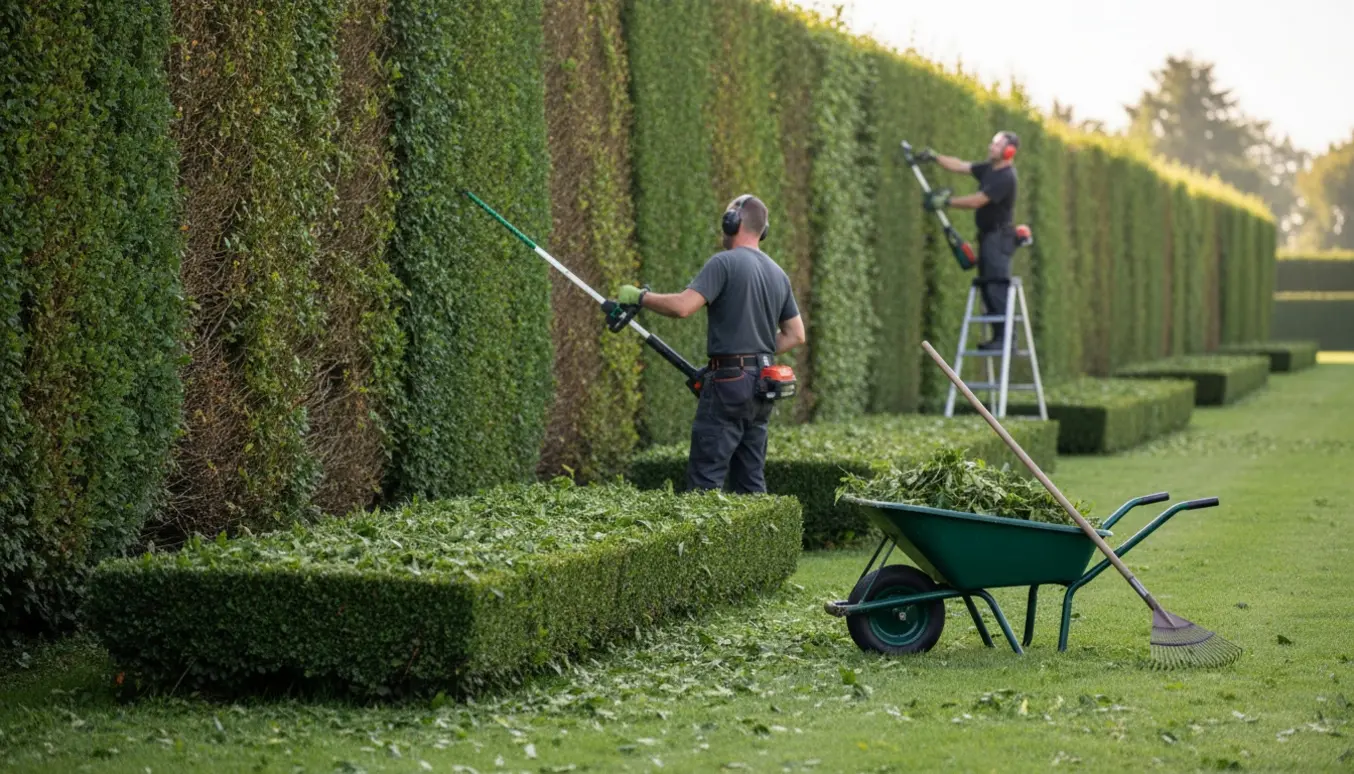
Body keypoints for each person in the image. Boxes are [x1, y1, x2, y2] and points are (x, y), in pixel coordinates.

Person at [615, 194, 805, 493]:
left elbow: (682, 307)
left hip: (729, 383)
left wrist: (640, 297)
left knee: (705, 480)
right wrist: (754, 352)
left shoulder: (724, 263)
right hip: (763, 385)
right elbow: (795, 334)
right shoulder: (778, 273)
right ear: (763, 231)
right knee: (750, 482)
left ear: (733, 222)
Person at [918, 131, 1020, 350]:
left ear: (1008, 151)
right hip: (988, 237)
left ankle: (1006, 339)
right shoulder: (989, 169)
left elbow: (978, 201)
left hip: (999, 238)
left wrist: (946, 202)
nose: (991, 147)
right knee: (987, 287)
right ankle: (998, 338)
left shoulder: (1006, 177)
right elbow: (960, 165)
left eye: (997, 145)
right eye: (992, 143)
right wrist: (935, 157)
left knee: (996, 286)